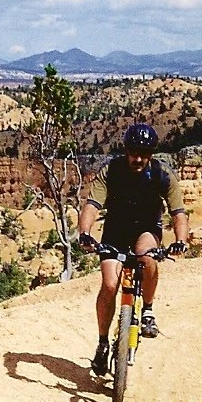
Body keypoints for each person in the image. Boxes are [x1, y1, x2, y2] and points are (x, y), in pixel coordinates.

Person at [77, 122, 189, 376]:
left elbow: (178, 213)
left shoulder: (162, 174)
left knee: (147, 257)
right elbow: (93, 204)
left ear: (151, 154)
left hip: (147, 228)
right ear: (126, 151)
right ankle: (103, 342)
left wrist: (181, 240)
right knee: (108, 285)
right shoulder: (111, 171)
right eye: (133, 152)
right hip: (116, 230)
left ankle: (147, 310)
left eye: (144, 153)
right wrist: (84, 233)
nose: (138, 159)